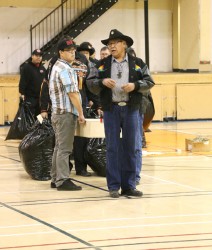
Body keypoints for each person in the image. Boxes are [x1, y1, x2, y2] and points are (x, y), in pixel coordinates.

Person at [87, 29, 155, 198]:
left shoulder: (138, 63)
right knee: (112, 148)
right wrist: (102, 81)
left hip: (132, 109)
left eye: (115, 42)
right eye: (109, 44)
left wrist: (135, 86)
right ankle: (114, 186)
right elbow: (90, 83)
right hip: (111, 110)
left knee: (132, 147)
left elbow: (149, 81)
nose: (111, 46)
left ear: (124, 44)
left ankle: (129, 186)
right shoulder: (101, 65)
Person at [49, 36, 85, 191]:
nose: (72, 53)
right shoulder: (65, 69)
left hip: (57, 113)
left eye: (73, 50)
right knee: (65, 149)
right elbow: (72, 93)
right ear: (60, 52)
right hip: (65, 114)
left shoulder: (56, 66)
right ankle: (62, 180)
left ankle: (55, 177)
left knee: (59, 147)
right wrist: (81, 113)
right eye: (68, 50)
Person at [19, 49, 46, 118]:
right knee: (30, 118)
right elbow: (23, 82)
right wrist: (22, 94)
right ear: (32, 56)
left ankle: (38, 129)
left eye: (40, 56)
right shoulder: (26, 67)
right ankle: (30, 129)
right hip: (30, 98)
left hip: (40, 100)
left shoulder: (42, 68)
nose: (38, 57)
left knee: (39, 119)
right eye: (36, 55)